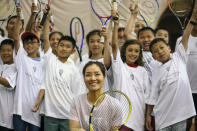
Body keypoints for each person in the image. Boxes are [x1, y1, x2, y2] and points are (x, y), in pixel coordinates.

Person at [146, 9, 197, 130]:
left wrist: (192, 21)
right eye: (156, 51)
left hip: (180, 117)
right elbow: (152, 96)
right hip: (162, 118)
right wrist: (148, 115)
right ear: (153, 57)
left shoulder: (179, 57)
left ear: (169, 48)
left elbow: (186, 37)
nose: (160, 51)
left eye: (162, 48)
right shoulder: (156, 72)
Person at [106, 11, 149, 131]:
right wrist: (116, 25)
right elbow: (114, 45)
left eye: (136, 51)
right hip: (122, 120)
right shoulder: (119, 66)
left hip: (139, 120)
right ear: (124, 52)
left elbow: (147, 97)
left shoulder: (143, 71)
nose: (133, 53)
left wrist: (147, 117)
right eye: (130, 50)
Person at [32, 35, 84, 131]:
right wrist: (46, 19)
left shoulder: (74, 70)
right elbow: (46, 37)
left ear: (73, 51)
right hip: (50, 114)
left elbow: (78, 94)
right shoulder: (50, 60)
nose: (64, 48)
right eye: (61, 45)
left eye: (68, 46)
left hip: (68, 115)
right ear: (57, 47)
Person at [12, 6, 46, 131]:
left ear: (38, 44)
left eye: (32, 42)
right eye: (26, 42)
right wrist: (19, 14)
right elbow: (16, 36)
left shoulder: (44, 62)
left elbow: (43, 86)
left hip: (35, 111)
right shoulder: (22, 58)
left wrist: (38, 102)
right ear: (24, 45)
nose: (29, 44)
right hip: (19, 110)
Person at [69, 61, 122, 131]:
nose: (93, 78)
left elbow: (114, 128)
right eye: (88, 75)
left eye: (97, 74)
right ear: (84, 78)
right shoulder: (76, 102)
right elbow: (73, 128)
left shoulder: (115, 105)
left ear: (104, 77)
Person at [0, 39, 17, 131]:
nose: (5, 53)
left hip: (7, 120)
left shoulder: (16, 68)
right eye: (2, 50)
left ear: (13, 51)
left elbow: (8, 83)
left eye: (8, 50)